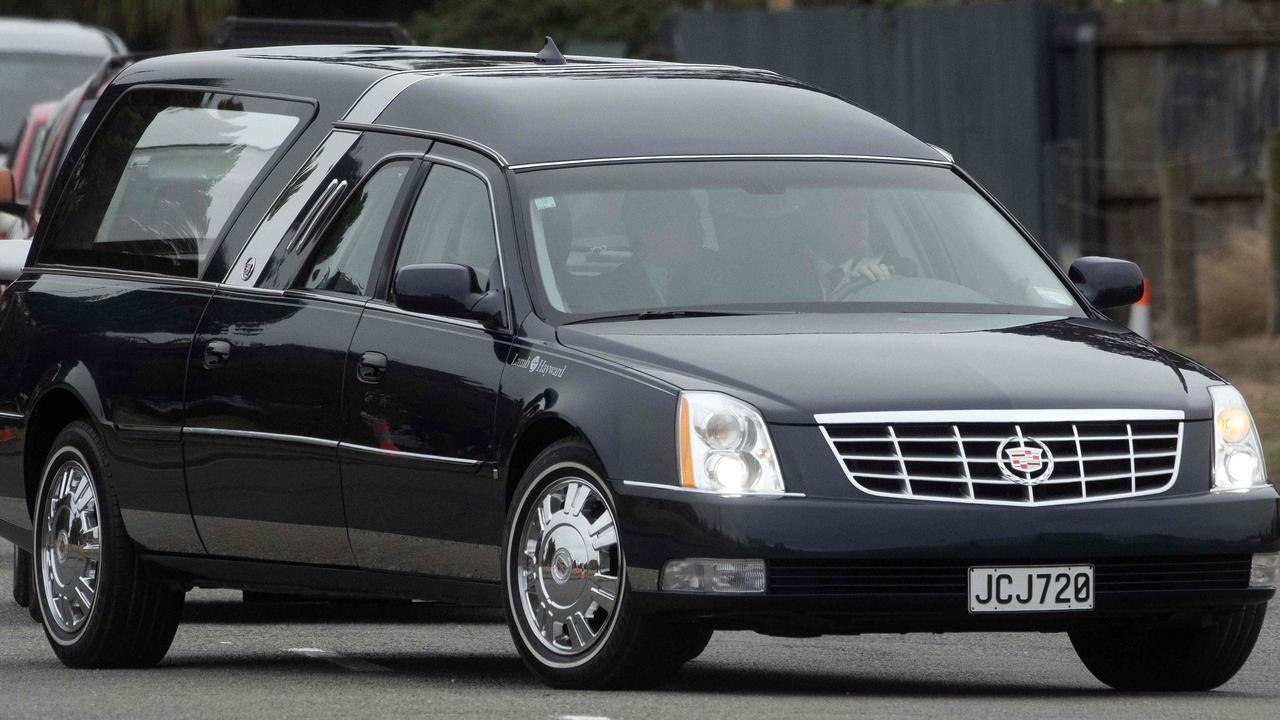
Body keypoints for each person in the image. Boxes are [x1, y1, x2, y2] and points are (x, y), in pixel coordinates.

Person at [587, 190, 724, 311]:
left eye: (696, 223)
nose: (700, 233)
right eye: (687, 225)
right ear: (647, 233)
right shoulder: (609, 290)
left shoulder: (722, 272)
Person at [805, 188, 895, 300]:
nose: (862, 215)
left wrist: (880, 285)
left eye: (865, 206)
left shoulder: (882, 273)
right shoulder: (780, 273)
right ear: (815, 215)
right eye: (842, 206)